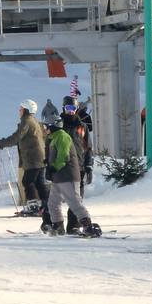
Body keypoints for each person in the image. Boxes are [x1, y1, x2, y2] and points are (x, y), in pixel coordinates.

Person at [0, 99, 51, 228]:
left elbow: (16, 137)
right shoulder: (33, 120)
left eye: (21, 109)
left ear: (26, 110)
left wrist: (0, 143)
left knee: (28, 181)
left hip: (33, 157)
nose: (19, 111)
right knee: (39, 182)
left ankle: (34, 206)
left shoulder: (27, 121)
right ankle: (47, 206)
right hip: (39, 156)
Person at [44, 117, 101, 237]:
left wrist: (54, 167)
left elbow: (64, 156)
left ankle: (87, 225)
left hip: (68, 175)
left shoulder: (62, 136)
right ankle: (58, 226)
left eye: (46, 126)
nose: (45, 129)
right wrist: (49, 165)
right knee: (53, 203)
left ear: (53, 126)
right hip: (58, 177)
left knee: (74, 201)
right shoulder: (54, 138)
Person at [61, 96, 93, 234]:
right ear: (63, 108)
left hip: (79, 167)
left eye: (73, 108)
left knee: (77, 198)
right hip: (63, 167)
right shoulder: (59, 125)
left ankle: (73, 226)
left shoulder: (82, 126)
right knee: (58, 198)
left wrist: (89, 166)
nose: (71, 111)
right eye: (68, 108)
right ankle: (53, 224)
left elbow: (88, 148)